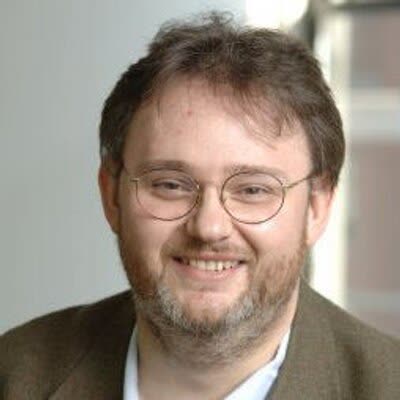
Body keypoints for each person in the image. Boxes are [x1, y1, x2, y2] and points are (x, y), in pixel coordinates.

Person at [1, 12, 399, 400]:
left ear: (316, 208)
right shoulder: (13, 373)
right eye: (170, 185)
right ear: (111, 196)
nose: (209, 227)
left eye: (253, 190)